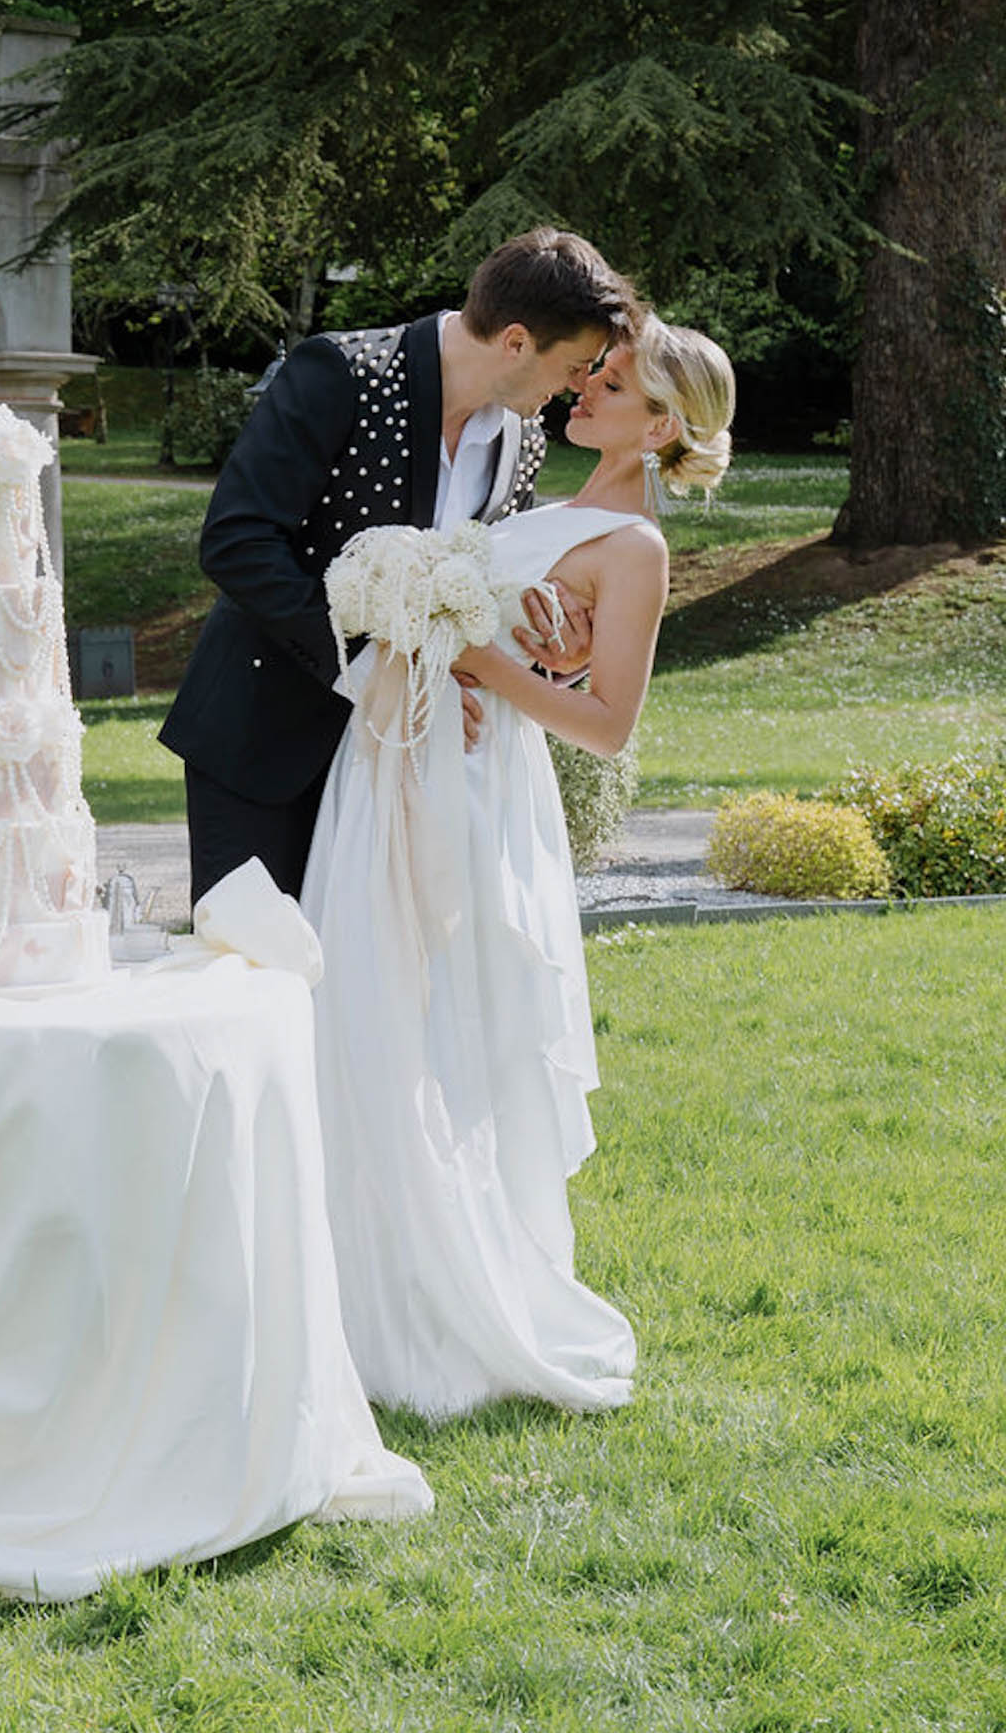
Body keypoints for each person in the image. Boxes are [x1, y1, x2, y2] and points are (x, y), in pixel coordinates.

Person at [299, 317, 737, 1419]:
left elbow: (605, 724)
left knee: (441, 1013)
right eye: (589, 372)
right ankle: (352, 1283)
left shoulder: (633, 547)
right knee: (360, 998)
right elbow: (518, 627)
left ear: (657, 426)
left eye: (613, 381)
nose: (583, 388)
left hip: (479, 795)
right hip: (399, 762)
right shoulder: (548, 509)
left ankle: (446, 1293)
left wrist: (478, 652)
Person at [160, 229, 644, 905]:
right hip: (267, 745)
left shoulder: (521, 439)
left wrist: (550, 650)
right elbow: (238, 540)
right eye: (574, 367)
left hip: (414, 770)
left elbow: (479, 590)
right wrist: (368, 672)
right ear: (514, 342)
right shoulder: (342, 372)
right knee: (261, 978)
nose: (576, 389)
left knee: (373, 1000)